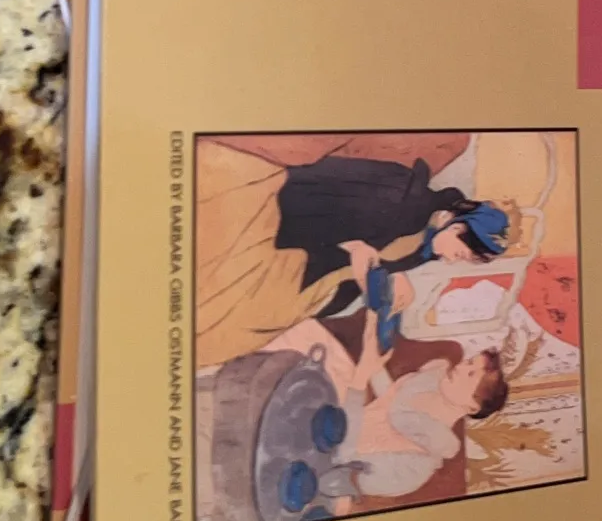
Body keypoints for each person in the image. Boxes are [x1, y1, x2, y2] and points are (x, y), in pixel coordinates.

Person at [196, 138, 519, 369]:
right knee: (234, 316)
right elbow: (310, 198)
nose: (453, 259)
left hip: (314, 272)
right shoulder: (398, 198)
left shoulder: (427, 243)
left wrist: (390, 278)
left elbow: (381, 260)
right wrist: (351, 249)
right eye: (461, 252)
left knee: (255, 323)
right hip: (285, 225)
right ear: (454, 223)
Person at [265, 304, 509, 517]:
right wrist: (373, 360)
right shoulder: (431, 381)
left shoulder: (416, 466)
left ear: (472, 406)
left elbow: (343, 459)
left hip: (325, 456)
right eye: (469, 362)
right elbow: (391, 398)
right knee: (310, 335)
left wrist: (361, 378)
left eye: (471, 374)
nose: (460, 367)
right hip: (345, 411)